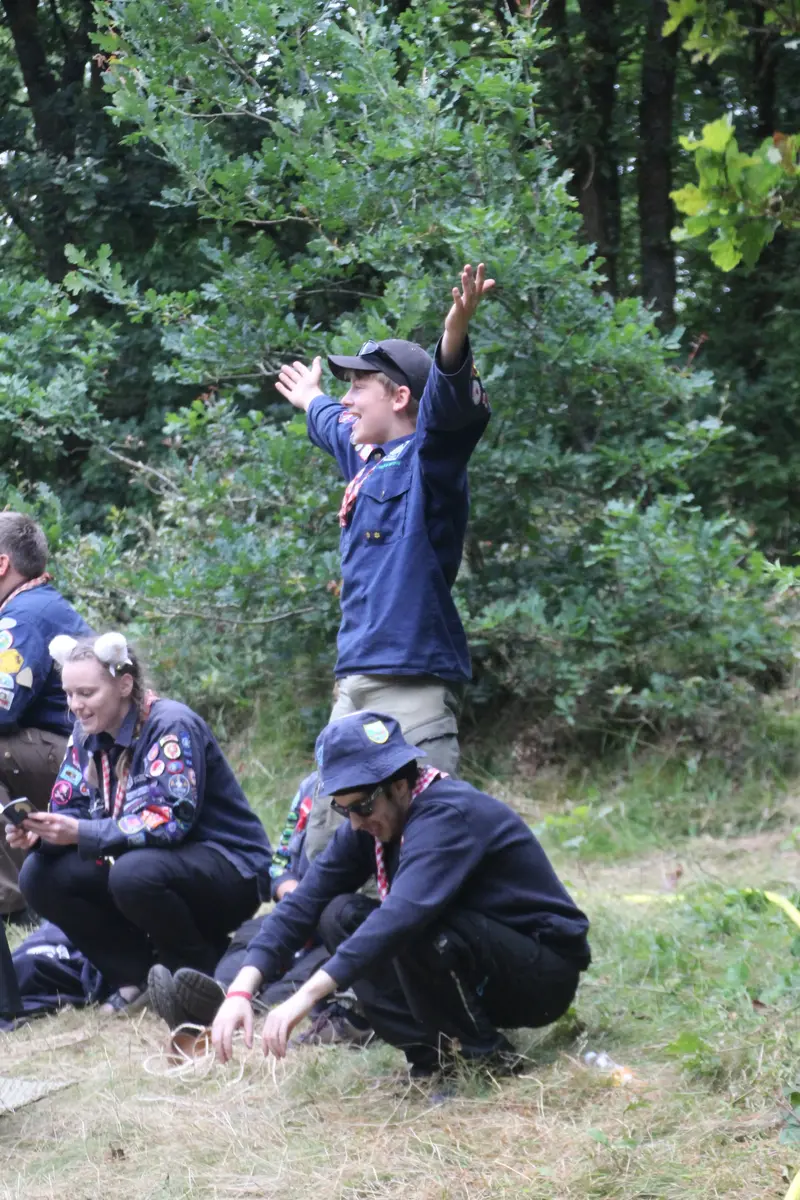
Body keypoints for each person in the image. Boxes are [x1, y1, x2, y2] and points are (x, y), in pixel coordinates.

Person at [212, 711, 591, 1079]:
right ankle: (434, 1058)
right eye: (345, 812)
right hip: (483, 960)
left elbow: (399, 918)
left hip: (542, 973)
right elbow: (304, 902)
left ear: (399, 785)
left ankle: (483, 1059)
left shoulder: (446, 814)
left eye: (362, 807)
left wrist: (305, 997)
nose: (357, 823)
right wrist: (241, 992)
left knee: (410, 928)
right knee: (338, 915)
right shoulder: (371, 823)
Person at [276, 263, 494, 858]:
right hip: (355, 679)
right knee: (326, 837)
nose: (346, 401)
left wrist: (454, 337)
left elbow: (451, 413)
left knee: (420, 835)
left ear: (399, 397)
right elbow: (333, 426)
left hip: (412, 680)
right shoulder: (368, 460)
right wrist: (312, 399)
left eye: (358, 389)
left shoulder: (429, 462)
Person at [6, 631, 272, 1013]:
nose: (75, 706)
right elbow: (71, 806)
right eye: (69, 693)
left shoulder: (170, 725)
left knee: (133, 873)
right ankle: (135, 976)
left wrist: (80, 832)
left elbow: (167, 821)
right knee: (39, 874)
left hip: (229, 869)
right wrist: (42, 833)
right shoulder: (86, 735)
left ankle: (199, 969)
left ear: (124, 685)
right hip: (149, 864)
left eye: (87, 693)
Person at [148, 770, 372, 1047]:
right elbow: (279, 862)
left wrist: (315, 906)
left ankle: (254, 1010)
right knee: (253, 933)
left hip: (336, 919)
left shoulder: (367, 811)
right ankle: (217, 996)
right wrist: (293, 893)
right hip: (300, 905)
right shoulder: (308, 790)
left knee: (315, 961)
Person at [0, 512, 91, 922]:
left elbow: (2, 710)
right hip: (74, 754)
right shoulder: (33, 605)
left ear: (2, 564)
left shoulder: (24, 617)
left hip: (86, 763)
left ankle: (16, 901)